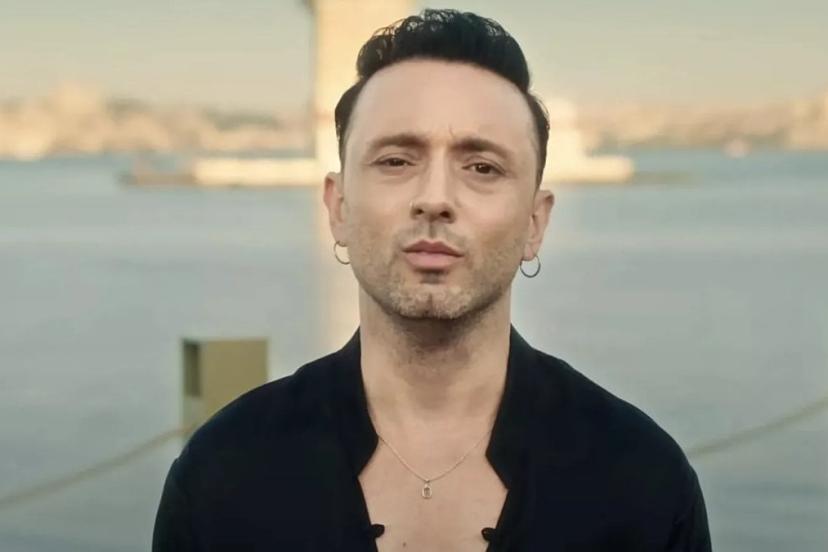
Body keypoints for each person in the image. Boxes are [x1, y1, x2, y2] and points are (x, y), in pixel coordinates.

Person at [153, 9, 711, 551]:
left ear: (535, 223)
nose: (435, 198)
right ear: (338, 207)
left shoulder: (642, 483)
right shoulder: (222, 477)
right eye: (396, 161)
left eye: (482, 167)